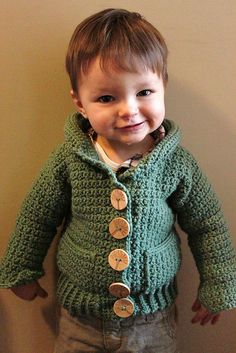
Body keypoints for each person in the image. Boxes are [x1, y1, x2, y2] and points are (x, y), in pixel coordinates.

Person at [0, 8, 236, 353]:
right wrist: (21, 267)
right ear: (80, 103)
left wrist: (218, 284)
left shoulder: (176, 164)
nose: (129, 110)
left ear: (162, 87)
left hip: (152, 322)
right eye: (107, 98)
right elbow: (38, 215)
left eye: (144, 92)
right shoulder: (70, 159)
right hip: (80, 320)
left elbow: (208, 225)